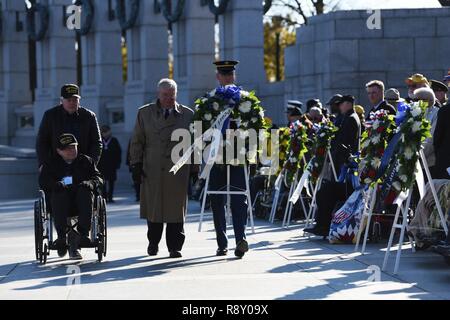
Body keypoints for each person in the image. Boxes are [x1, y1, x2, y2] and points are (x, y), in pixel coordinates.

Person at [129, 79, 193, 259]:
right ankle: (153, 243)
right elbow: (137, 140)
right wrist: (136, 164)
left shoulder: (187, 115)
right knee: (154, 210)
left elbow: (193, 144)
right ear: (158, 94)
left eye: (172, 96)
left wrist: (194, 170)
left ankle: (175, 247)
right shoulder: (145, 113)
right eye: (165, 95)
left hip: (177, 170)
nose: (169, 99)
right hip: (153, 168)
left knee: (176, 212)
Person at [206, 60, 251, 258]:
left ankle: (241, 239)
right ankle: (222, 242)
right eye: (224, 75)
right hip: (216, 154)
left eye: (230, 74)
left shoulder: (245, 99)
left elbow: (253, 125)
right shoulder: (209, 99)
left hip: (237, 153)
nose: (227, 77)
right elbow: (201, 126)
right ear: (218, 76)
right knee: (217, 198)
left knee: (239, 198)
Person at [39, 134, 103, 260]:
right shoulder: (51, 163)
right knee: (58, 193)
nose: (72, 150)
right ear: (59, 151)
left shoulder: (86, 161)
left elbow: (98, 177)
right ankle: (62, 237)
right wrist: (55, 184)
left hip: (82, 201)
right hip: (60, 203)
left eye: (74, 147)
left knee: (85, 191)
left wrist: (91, 183)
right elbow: (43, 181)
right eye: (67, 148)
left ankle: (84, 235)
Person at [304, 95, 361, 236]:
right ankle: (322, 224)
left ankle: (323, 225)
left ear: (347, 104)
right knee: (324, 190)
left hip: (346, 167)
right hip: (342, 164)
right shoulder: (347, 117)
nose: (339, 107)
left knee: (325, 191)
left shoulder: (351, 118)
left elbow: (345, 142)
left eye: (341, 104)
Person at [36, 84, 102, 170]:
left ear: (79, 101)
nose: (72, 103)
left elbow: (96, 143)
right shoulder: (50, 116)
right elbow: (42, 142)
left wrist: (91, 164)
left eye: (75, 100)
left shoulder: (89, 116)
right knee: (60, 183)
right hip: (56, 166)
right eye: (68, 100)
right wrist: (43, 164)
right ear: (61, 100)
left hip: (82, 167)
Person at [414, 87, 439, 176]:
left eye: (419, 99)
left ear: (429, 100)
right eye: (415, 99)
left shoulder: (437, 114)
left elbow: (431, 139)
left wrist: (418, 156)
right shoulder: (414, 113)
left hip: (428, 163)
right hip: (414, 163)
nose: (416, 102)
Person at [98, 125, 122, 203]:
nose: (105, 134)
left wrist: (118, 163)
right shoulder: (99, 140)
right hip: (102, 165)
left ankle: (110, 197)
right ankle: (104, 197)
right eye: (103, 132)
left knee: (111, 181)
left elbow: (118, 152)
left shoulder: (114, 140)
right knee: (103, 182)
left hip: (112, 165)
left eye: (107, 132)